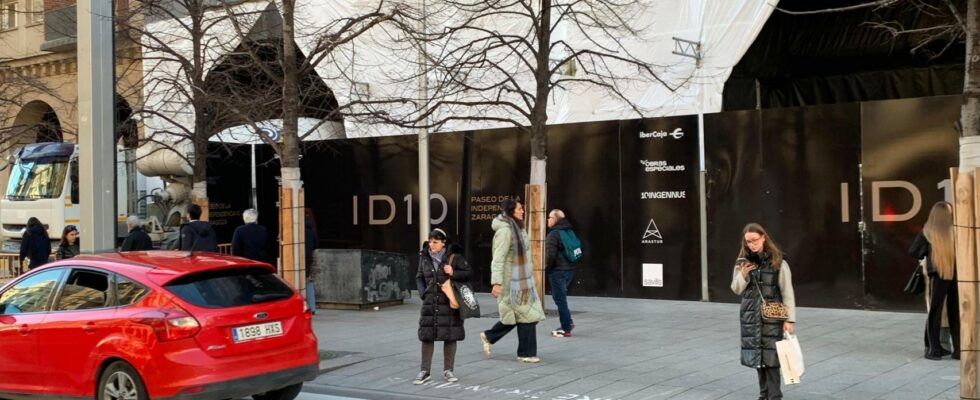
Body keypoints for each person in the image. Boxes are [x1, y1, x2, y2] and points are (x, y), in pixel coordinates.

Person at [730, 223, 796, 400]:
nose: (752, 244)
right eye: (748, 241)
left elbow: (787, 291)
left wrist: (789, 320)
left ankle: (774, 396)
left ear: (763, 237)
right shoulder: (743, 262)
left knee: (772, 358)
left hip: (772, 316)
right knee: (758, 358)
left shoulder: (778, 261)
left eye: (755, 240)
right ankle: (763, 394)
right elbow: (736, 289)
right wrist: (743, 275)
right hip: (751, 316)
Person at [480, 199, 546, 363]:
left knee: (522, 315)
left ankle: (490, 336)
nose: (522, 211)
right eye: (519, 209)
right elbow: (498, 259)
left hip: (522, 280)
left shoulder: (517, 228)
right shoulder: (505, 231)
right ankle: (525, 353)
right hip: (512, 282)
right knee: (526, 315)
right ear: (511, 211)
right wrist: (496, 283)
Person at [413, 228, 471, 385]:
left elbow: (468, 274)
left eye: (435, 242)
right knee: (427, 335)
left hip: (449, 302)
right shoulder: (424, 257)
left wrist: (454, 272)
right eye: (430, 241)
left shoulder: (454, 257)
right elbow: (419, 277)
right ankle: (425, 371)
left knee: (450, 335)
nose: (431, 245)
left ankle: (448, 370)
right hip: (430, 301)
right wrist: (423, 293)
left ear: (443, 242)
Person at [909, 201, 959, 360]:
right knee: (955, 312)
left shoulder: (928, 231)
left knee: (935, 312)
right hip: (956, 275)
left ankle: (935, 350)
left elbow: (914, 251)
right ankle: (959, 350)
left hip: (937, 275)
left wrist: (928, 254)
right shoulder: (956, 231)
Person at [546, 209, 577, 337]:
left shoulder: (553, 234)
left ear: (555, 220)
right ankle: (568, 321)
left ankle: (566, 328)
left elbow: (550, 255)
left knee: (560, 299)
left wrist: (546, 268)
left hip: (558, 271)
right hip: (570, 269)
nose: (548, 220)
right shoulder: (569, 231)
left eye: (550, 217)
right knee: (560, 297)